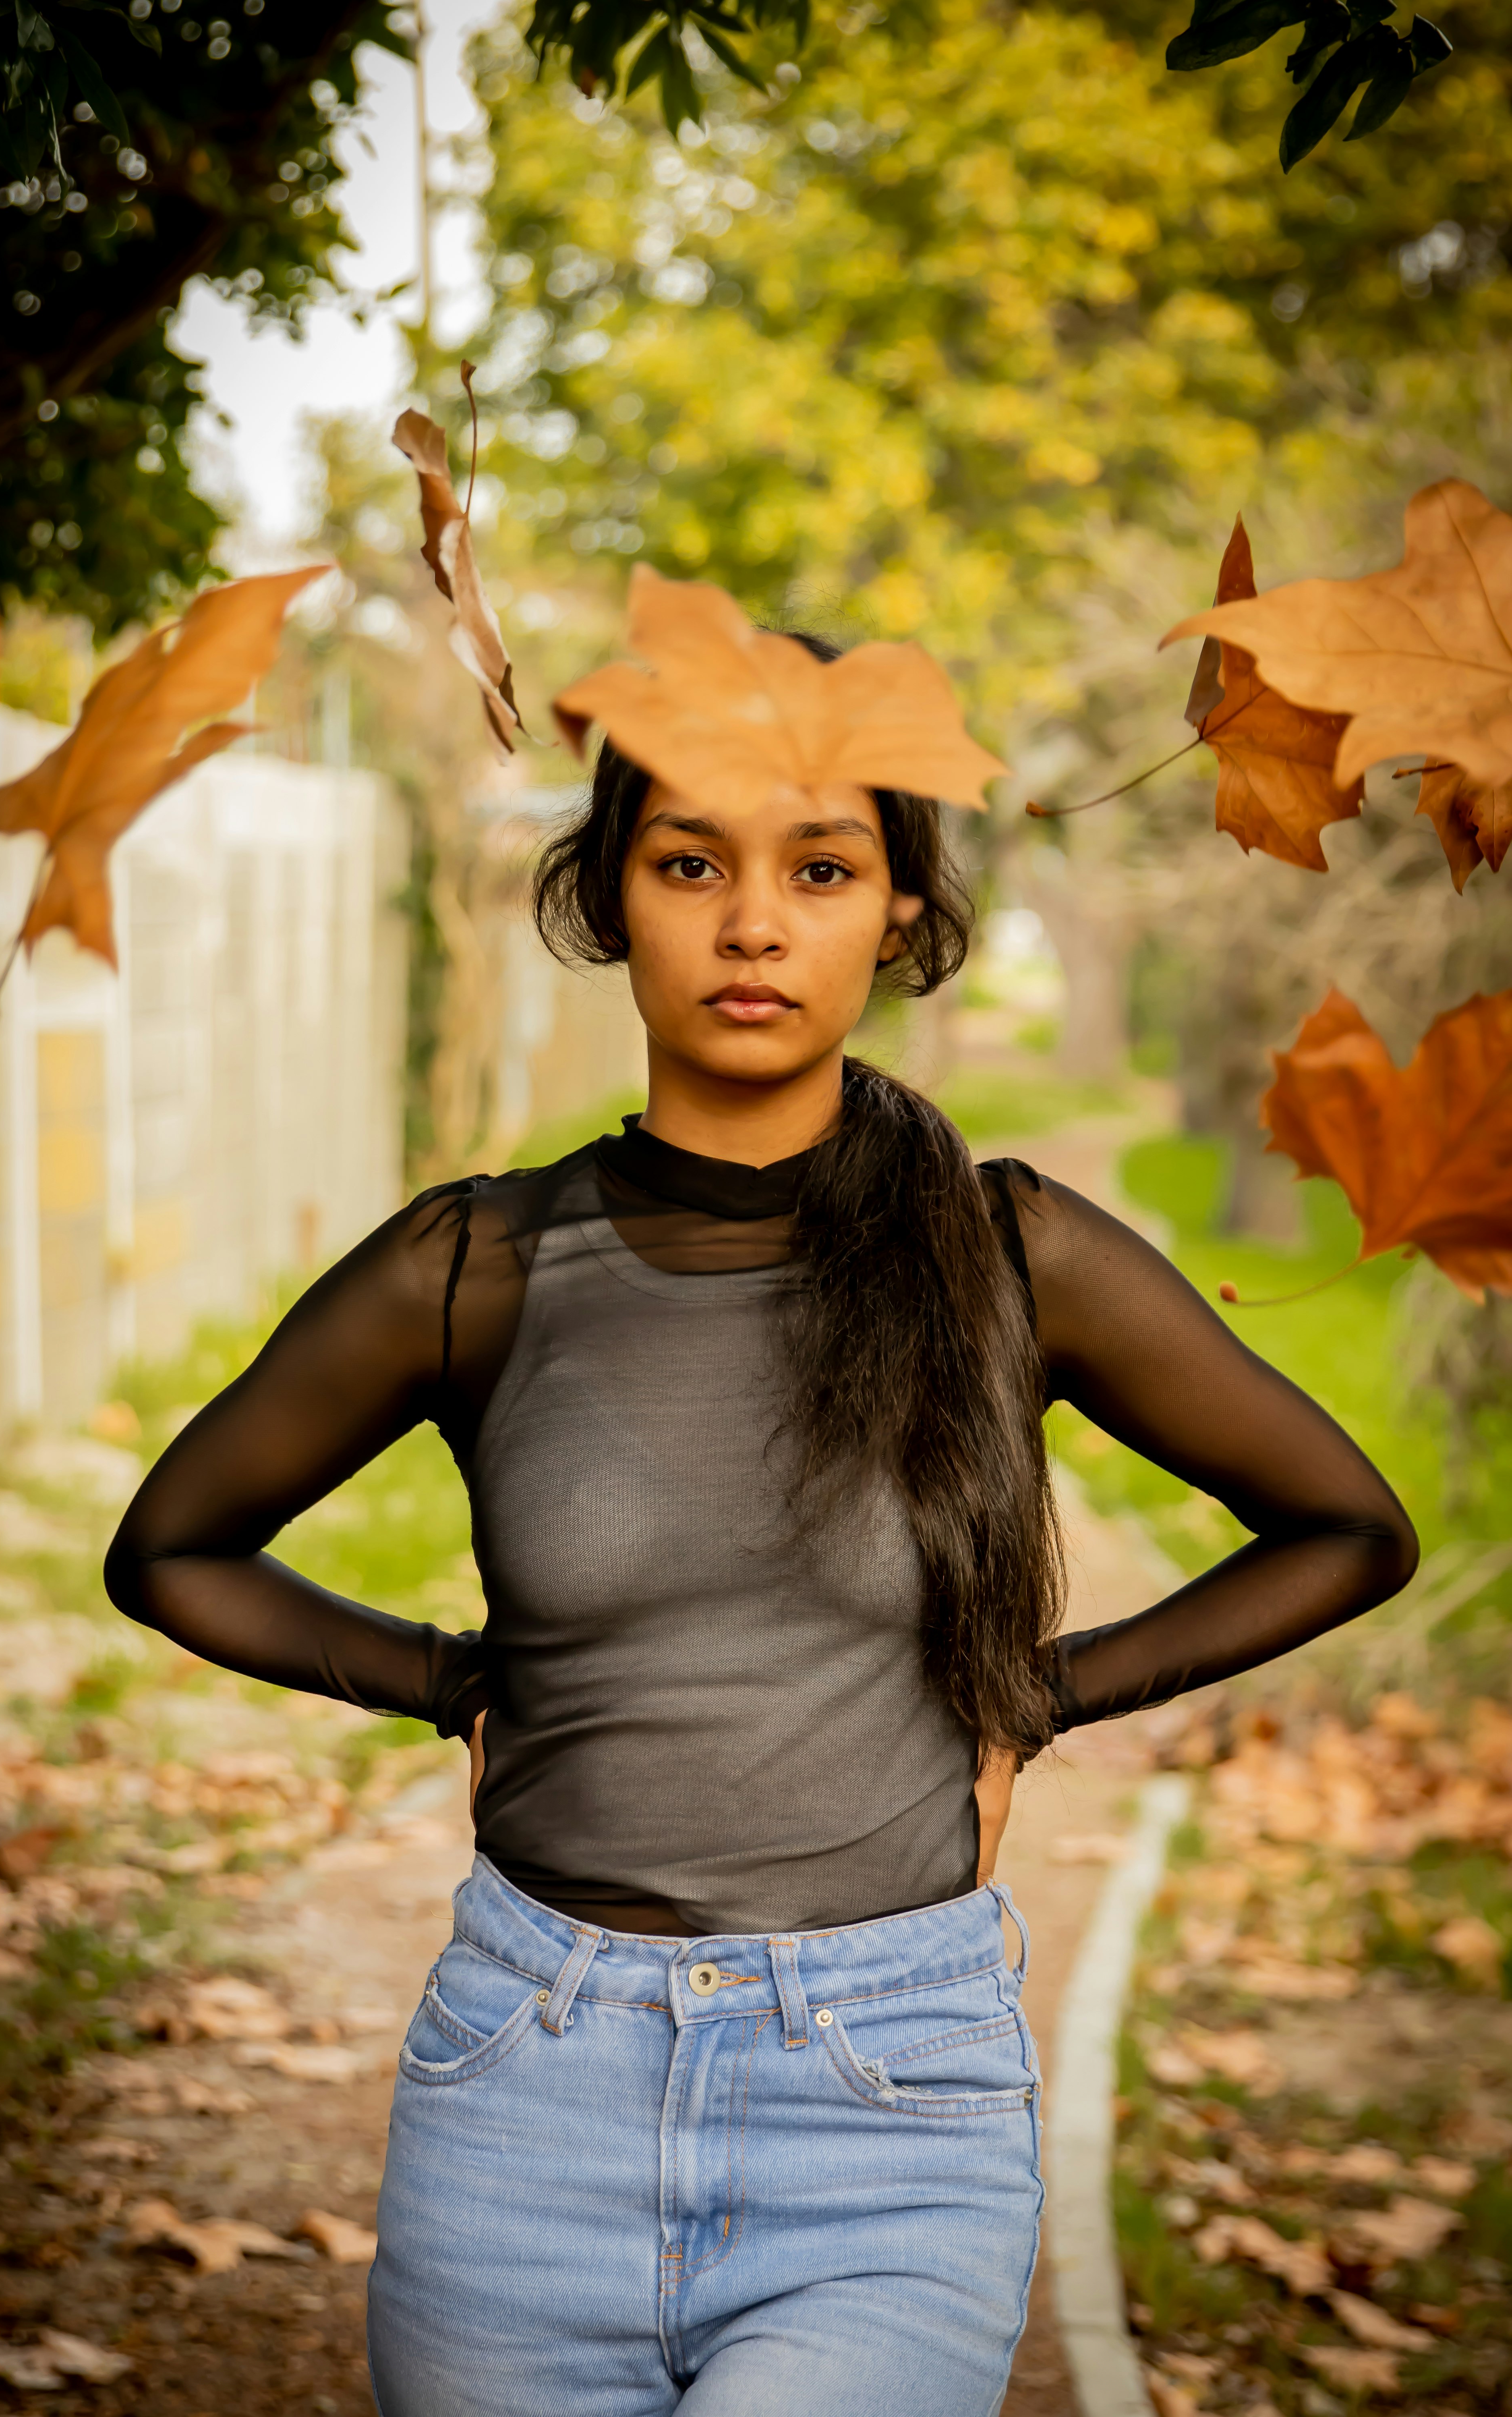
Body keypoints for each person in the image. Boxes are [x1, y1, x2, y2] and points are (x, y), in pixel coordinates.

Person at [105, 605, 1417, 2417]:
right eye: (688, 861)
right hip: (524, 2100)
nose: (749, 923)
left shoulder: (1007, 1251)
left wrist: (1041, 1690)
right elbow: (167, 1548)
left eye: (818, 866)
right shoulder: (475, 1265)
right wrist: (443, 1678)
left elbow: (1348, 1526)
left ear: (899, 906)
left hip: (886, 2113)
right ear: (606, 894)